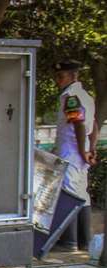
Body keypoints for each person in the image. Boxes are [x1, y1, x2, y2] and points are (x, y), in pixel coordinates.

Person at [53, 59, 98, 251]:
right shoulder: (85, 96)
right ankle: (84, 241)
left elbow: (79, 124)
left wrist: (82, 151)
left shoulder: (70, 96)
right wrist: (91, 148)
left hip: (71, 150)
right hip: (81, 149)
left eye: (61, 76)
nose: (58, 81)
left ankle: (69, 242)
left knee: (68, 192)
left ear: (73, 76)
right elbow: (94, 125)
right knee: (82, 194)